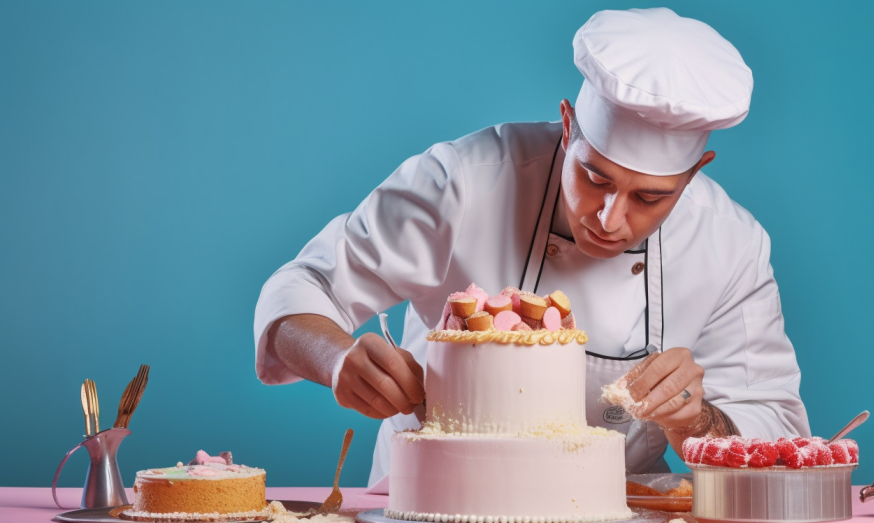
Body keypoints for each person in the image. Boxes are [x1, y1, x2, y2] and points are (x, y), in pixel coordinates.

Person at [254, 8, 809, 486]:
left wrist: (697, 422)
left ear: (693, 175)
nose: (611, 219)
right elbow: (301, 287)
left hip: (619, 513)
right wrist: (337, 358)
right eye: (595, 177)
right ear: (567, 127)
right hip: (432, 502)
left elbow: (777, 428)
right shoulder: (464, 181)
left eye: (649, 197)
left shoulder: (731, 242)